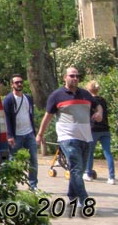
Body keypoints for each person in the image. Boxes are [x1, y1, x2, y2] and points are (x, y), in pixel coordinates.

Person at [36, 67, 103, 210]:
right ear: (64, 77)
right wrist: (40, 134)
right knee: (77, 169)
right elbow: (48, 116)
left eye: (77, 76)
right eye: (72, 76)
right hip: (67, 138)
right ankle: (84, 200)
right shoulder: (57, 96)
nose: (75, 78)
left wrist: (99, 113)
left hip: (86, 138)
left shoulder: (85, 94)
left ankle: (72, 195)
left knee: (78, 169)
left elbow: (98, 106)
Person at [3, 75, 38, 190]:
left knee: (33, 159)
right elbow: (6, 118)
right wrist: (10, 135)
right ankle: (10, 184)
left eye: (21, 82)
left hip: (29, 133)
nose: (19, 84)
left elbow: (31, 115)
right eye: (17, 82)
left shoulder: (28, 98)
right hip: (16, 135)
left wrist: (35, 132)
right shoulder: (8, 100)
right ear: (12, 85)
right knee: (13, 160)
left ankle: (33, 185)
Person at [86, 80, 114, 184]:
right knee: (107, 153)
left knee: (90, 152)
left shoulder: (90, 100)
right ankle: (111, 177)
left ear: (89, 89)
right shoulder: (103, 100)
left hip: (94, 129)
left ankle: (88, 173)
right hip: (105, 129)